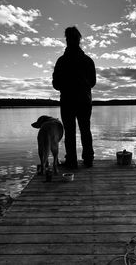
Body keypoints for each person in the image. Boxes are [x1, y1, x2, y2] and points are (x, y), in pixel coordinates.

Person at [52, 26, 96, 168]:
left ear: (67, 40)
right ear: (79, 40)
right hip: (84, 101)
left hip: (68, 101)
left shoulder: (61, 61)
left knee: (70, 132)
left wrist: (66, 85)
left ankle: (72, 161)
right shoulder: (88, 61)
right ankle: (88, 160)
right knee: (85, 130)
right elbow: (93, 82)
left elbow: (56, 84)